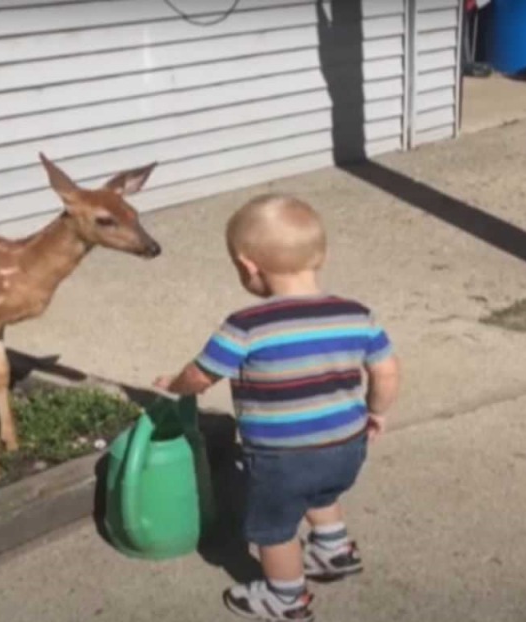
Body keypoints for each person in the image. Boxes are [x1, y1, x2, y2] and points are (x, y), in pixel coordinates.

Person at [155, 193, 401, 621]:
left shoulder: (246, 326)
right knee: (319, 490)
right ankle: (333, 549)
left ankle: (285, 598)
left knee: (274, 528)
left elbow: (201, 375)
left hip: (281, 456)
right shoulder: (357, 314)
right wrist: (375, 412)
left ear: (249, 266)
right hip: (347, 444)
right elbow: (387, 372)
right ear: (319, 255)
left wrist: (174, 385)